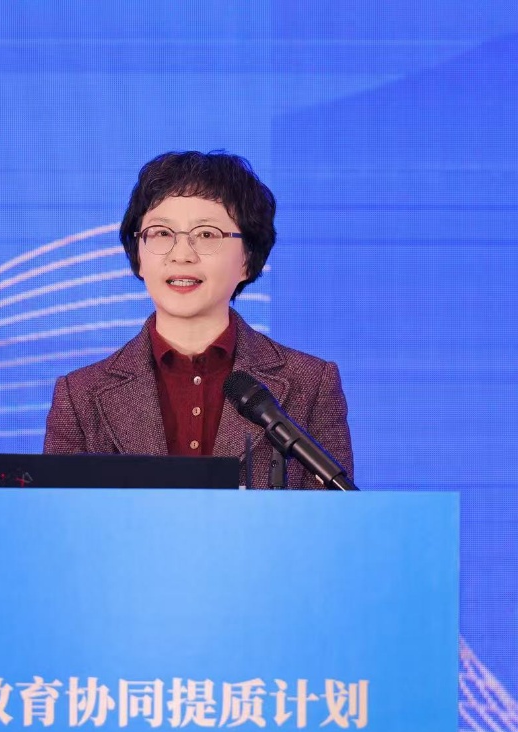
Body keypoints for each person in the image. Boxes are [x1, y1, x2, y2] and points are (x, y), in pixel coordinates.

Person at [43, 151, 353, 490]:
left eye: (206, 235)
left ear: (248, 259)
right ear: (139, 256)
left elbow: (334, 518)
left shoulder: (311, 384)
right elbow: (61, 519)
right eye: (162, 233)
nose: (182, 254)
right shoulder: (80, 396)